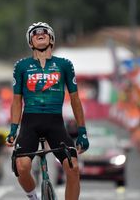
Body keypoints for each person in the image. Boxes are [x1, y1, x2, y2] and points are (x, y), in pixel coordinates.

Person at [5, 22, 89, 200]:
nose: (40, 34)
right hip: (30, 122)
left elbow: (75, 99)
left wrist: (82, 132)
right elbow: (16, 100)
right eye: (35, 33)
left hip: (55, 123)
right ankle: (33, 197)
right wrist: (13, 129)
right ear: (30, 42)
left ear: (52, 39)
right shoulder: (21, 66)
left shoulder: (64, 64)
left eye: (44, 32)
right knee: (21, 167)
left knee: (73, 168)